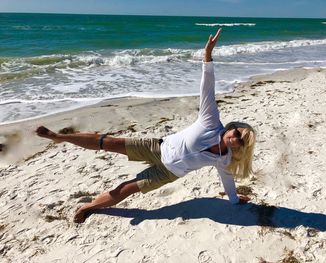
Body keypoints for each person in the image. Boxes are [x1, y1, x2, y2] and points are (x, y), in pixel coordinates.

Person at [36, 28, 256, 223]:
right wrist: (207, 55)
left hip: (168, 173)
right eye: (237, 132)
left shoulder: (224, 158)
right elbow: (207, 86)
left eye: (240, 141)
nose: (235, 139)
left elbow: (226, 181)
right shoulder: (211, 121)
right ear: (231, 127)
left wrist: (235, 201)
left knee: (126, 188)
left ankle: (88, 207)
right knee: (108, 142)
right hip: (156, 147)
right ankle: (60, 137)